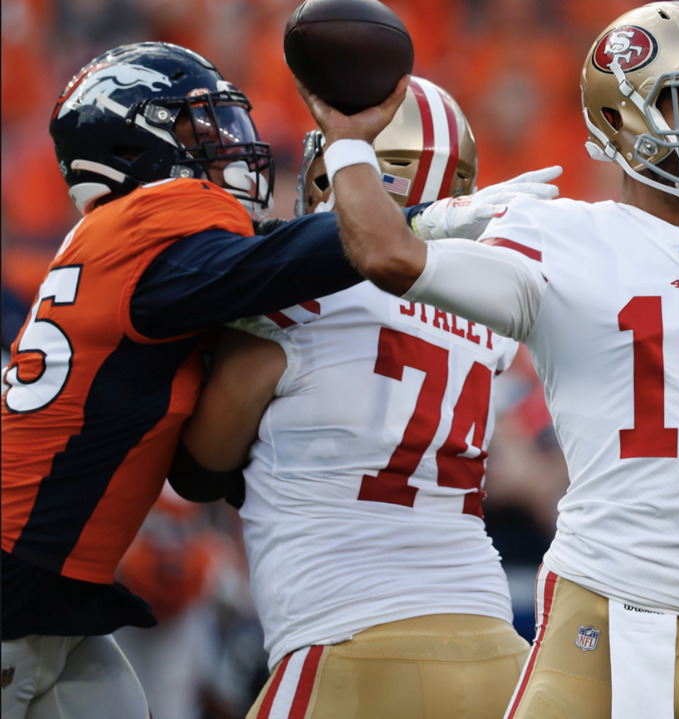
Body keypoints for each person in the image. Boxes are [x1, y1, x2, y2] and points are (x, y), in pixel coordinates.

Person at [293, 3, 679, 717]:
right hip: (600, 619)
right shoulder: (558, 235)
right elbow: (384, 254)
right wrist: (345, 144)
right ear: (619, 121)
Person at [0, 42, 554, 718]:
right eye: (198, 129)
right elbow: (285, 264)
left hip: (320, 626)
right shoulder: (483, 315)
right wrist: (413, 227)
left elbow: (202, 471)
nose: (231, 148)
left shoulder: (239, 286)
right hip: (487, 622)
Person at [173, 75, 531, 719]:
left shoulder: (287, 306)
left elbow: (200, 468)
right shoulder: (487, 318)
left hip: (350, 643)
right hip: (496, 644)